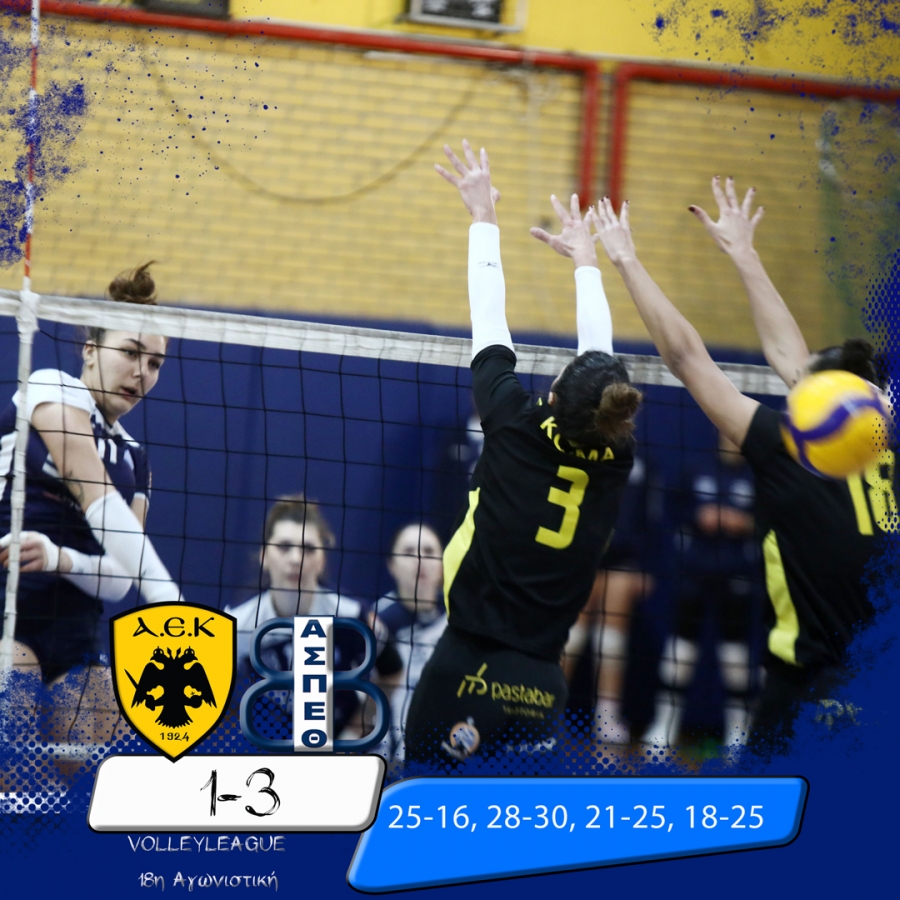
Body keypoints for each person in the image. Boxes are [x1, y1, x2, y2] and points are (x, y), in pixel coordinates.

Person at [592, 177, 896, 752]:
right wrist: (744, 254)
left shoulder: (791, 450)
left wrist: (627, 260)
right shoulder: (883, 443)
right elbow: (792, 359)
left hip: (807, 691)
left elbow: (687, 356)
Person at [404, 140, 642, 764]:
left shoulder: (514, 423)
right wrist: (585, 260)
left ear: (554, 397)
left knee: (417, 796)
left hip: (468, 664)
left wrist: (484, 217)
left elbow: (489, 316)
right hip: (542, 681)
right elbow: (599, 361)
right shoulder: (616, 455)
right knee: (514, 818)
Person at [0, 262, 183, 748]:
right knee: (12, 763)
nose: (141, 373)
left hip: (78, 628)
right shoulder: (50, 387)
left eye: (155, 364)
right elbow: (94, 490)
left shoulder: (136, 460)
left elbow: (120, 579)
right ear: (90, 349)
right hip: (10, 604)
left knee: (93, 774)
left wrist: (60, 558)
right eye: (130, 352)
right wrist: (170, 602)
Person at [226, 494, 400, 740]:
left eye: (308, 549)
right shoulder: (238, 625)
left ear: (322, 561)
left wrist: (353, 733)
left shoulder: (352, 616)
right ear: (264, 556)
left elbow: (393, 672)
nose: (295, 559)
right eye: (284, 547)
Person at [643, 430, 762, 748]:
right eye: (728, 434)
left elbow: (771, 523)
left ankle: (739, 733)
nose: (732, 440)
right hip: (694, 572)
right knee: (680, 649)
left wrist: (743, 523)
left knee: (736, 656)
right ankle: (664, 725)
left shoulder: (757, 475)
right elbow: (671, 513)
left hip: (738, 574)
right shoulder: (695, 467)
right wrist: (699, 516)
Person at [562, 453, 657, 745]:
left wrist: (645, 565)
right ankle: (547, 710)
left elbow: (651, 518)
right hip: (583, 552)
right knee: (571, 637)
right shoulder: (584, 449)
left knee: (612, 640)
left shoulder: (644, 462)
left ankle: (607, 715)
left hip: (624, 557)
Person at [373, 522, 446, 763]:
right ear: (391, 565)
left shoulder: (459, 620)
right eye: (408, 552)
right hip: (387, 757)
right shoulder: (376, 622)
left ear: (443, 564)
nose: (419, 559)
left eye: (429, 551)